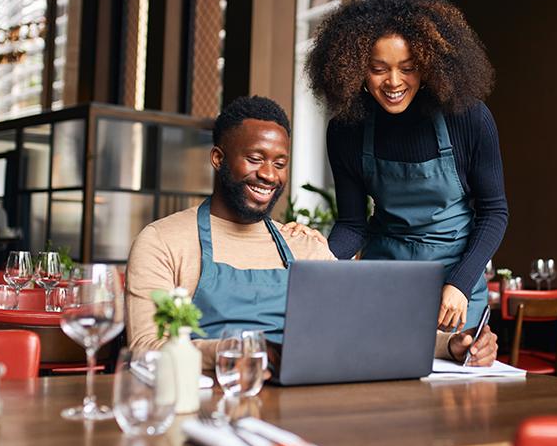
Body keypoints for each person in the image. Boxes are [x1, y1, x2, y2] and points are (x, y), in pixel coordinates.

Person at [126, 96, 497, 369]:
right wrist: (236, 353)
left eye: (280, 163)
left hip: (298, 404)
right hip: (204, 401)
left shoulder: (301, 245)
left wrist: (453, 346)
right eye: (255, 159)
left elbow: (367, 328)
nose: (269, 175)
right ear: (218, 158)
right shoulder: (163, 242)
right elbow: (144, 349)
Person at [299, 0, 509, 333]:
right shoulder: (346, 130)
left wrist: (460, 284)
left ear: (428, 67)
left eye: (408, 68)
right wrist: (317, 260)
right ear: (355, 70)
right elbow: (353, 225)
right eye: (378, 69)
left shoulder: (467, 117)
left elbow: (494, 212)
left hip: (455, 287)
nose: (393, 82)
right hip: (384, 281)